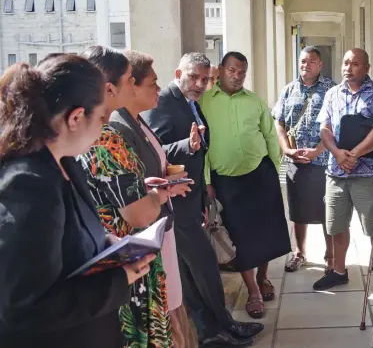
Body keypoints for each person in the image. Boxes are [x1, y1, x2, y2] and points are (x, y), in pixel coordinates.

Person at [0, 55, 155, 348]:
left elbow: (71, 238)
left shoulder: (65, 164)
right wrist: (119, 280)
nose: (104, 127)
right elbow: (27, 306)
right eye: (101, 117)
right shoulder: (27, 183)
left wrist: (109, 246)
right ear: (75, 118)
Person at [142, 52, 262, 346]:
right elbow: (153, 154)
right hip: (173, 204)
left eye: (205, 79)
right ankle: (223, 328)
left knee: (195, 274)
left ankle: (214, 331)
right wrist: (187, 145)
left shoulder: (188, 102)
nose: (199, 84)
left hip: (188, 200)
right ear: (177, 73)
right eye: (193, 77)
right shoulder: (164, 103)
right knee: (205, 267)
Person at [77, 45, 178, 347]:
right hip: (124, 264)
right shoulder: (106, 136)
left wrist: (140, 186)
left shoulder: (95, 132)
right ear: (111, 87)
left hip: (111, 261)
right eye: (129, 78)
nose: (133, 84)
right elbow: (137, 214)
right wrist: (159, 196)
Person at [108, 50, 200, 347]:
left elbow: (145, 171)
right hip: (144, 230)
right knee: (166, 310)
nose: (158, 90)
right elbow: (130, 197)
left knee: (173, 302)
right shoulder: (116, 128)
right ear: (130, 85)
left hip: (159, 222)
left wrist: (164, 183)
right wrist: (161, 191)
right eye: (153, 83)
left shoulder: (136, 121)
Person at [200, 51, 291, 319]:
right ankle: (252, 290)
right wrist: (207, 181)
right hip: (226, 181)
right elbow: (201, 149)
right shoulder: (204, 103)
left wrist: (274, 169)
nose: (237, 76)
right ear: (221, 69)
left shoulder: (255, 101)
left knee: (266, 231)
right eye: (232, 70)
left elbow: (270, 135)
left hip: (260, 175)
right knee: (240, 236)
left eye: (242, 72)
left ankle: (263, 277)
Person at [312, 48, 373, 301]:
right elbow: (324, 127)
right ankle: (339, 270)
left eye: (355, 64)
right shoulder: (332, 94)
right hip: (336, 172)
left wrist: (354, 154)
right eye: (346, 63)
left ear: (367, 68)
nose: (348, 68)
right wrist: (338, 154)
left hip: (367, 173)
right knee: (336, 226)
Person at [272, 46, 336, 273]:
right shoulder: (288, 90)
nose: (305, 65)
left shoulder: (332, 90)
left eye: (311, 61)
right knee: (298, 210)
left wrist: (318, 151)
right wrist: (286, 151)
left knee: (327, 208)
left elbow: (336, 126)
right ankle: (299, 252)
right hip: (295, 161)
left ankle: (331, 255)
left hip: (324, 161)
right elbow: (279, 122)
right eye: (302, 61)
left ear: (320, 65)